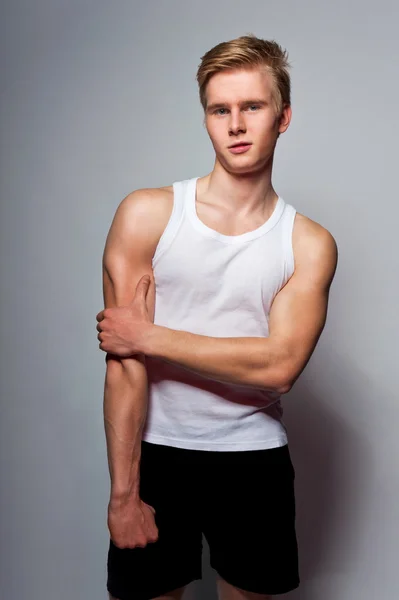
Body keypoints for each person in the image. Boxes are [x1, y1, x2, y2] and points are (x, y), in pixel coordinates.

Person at [96, 34, 338, 600]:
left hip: (253, 461)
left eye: (252, 107)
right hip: (155, 453)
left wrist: (151, 335)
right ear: (205, 117)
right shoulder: (147, 214)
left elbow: (279, 367)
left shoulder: (308, 244)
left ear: (282, 117)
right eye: (219, 109)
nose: (235, 125)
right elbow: (124, 364)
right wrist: (123, 495)